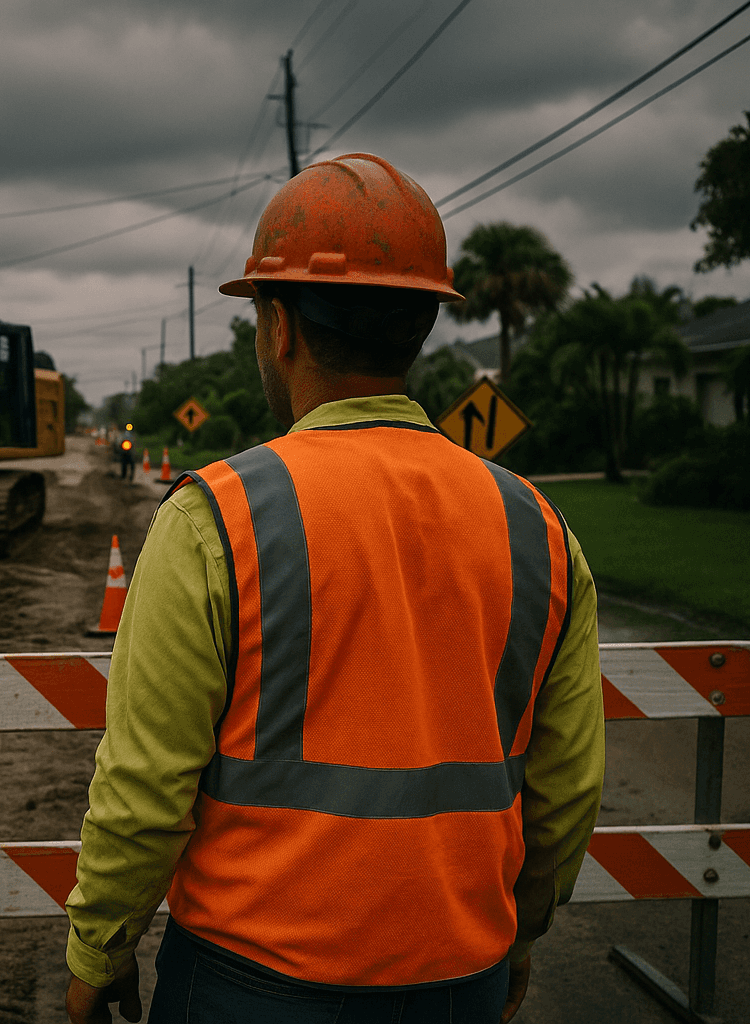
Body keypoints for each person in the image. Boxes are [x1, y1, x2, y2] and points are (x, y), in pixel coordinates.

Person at [64, 153, 604, 1024]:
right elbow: (566, 789)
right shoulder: (536, 529)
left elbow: (143, 785)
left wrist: (100, 946)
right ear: (425, 321)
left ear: (279, 326)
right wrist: (519, 937)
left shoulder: (214, 520)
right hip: (457, 977)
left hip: (247, 983)